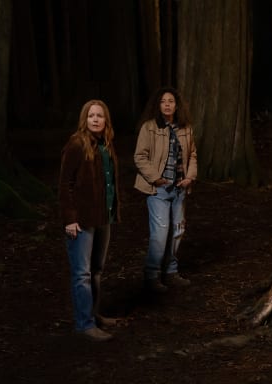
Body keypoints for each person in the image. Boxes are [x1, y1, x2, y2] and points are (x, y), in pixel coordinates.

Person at [59, 100, 121, 342]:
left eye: (100, 115)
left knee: (96, 270)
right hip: (82, 221)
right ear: (84, 119)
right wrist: (69, 219)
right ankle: (84, 324)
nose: (95, 119)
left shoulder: (106, 145)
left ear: (106, 120)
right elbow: (65, 185)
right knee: (82, 273)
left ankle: (93, 315)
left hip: (102, 217)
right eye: (91, 116)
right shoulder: (76, 145)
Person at [134, 87, 197, 293]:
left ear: (176, 105)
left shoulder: (185, 128)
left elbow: (192, 155)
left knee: (178, 231)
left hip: (179, 189)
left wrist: (190, 177)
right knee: (160, 233)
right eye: (163, 101)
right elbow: (140, 157)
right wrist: (156, 178)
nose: (167, 104)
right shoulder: (149, 128)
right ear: (158, 105)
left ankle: (171, 272)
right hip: (158, 190)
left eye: (171, 101)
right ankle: (152, 276)